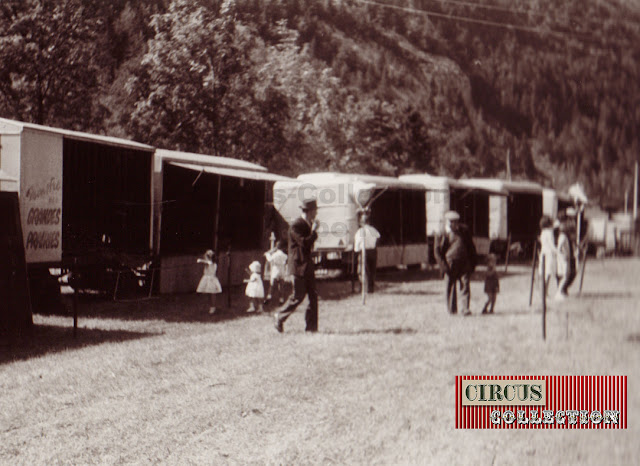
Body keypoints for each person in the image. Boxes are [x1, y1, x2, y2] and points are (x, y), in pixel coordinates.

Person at [274, 198, 319, 333]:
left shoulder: (307, 224)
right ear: (309, 211)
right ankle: (279, 316)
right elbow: (304, 243)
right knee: (298, 296)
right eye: (315, 210)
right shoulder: (296, 225)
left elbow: (306, 246)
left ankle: (311, 328)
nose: (316, 213)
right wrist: (315, 232)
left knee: (313, 296)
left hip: (307, 264)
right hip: (299, 266)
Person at [434, 210, 477, 315]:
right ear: (446, 222)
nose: (454, 224)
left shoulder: (464, 231)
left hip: (464, 262)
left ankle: (465, 309)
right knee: (450, 286)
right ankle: (451, 310)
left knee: (465, 285)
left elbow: (471, 247)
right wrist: (443, 267)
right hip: (450, 264)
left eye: (456, 222)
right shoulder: (441, 233)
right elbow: (437, 252)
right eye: (451, 222)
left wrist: (473, 263)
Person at [353, 210, 381, 293]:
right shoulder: (373, 230)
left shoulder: (360, 231)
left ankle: (362, 288)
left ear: (362, 222)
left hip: (363, 252)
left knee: (362, 270)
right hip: (372, 251)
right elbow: (378, 237)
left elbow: (357, 243)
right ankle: (370, 288)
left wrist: (356, 251)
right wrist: (374, 244)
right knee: (372, 271)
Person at [556, 219, 576, 300]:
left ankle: (561, 291)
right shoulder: (563, 237)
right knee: (565, 275)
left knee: (567, 275)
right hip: (564, 259)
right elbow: (559, 248)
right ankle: (559, 292)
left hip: (566, 258)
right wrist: (563, 255)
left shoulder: (564, 237)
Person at [196, 249, 222, 314]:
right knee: (208, 293)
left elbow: (206, 262)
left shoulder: (211, 263)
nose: (204, 256)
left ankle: (213, 307)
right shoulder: (208, 262)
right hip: (207, 278)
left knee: (212, 293)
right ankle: (211, 306)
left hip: (211, 279)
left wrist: (200, 260)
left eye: (206, 255)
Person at [264, 240, 288, 305]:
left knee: (272, 285)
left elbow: (270, 260)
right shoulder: (285, 255)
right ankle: (281, 299)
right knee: (281, 285)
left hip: (275, 270)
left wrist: (267, 254)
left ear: (276, 247)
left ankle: (269, 297)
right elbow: (285, 261)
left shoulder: (275, 254)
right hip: (282, 270)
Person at [538, 215, 558, 294]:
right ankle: (544, 292)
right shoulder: (549, 232)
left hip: (543, 252)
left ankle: (544, 291)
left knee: (544, 273)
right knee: (548, 273)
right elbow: (551, 244)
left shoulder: (543, 232)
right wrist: (557, 252)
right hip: (549, 253)